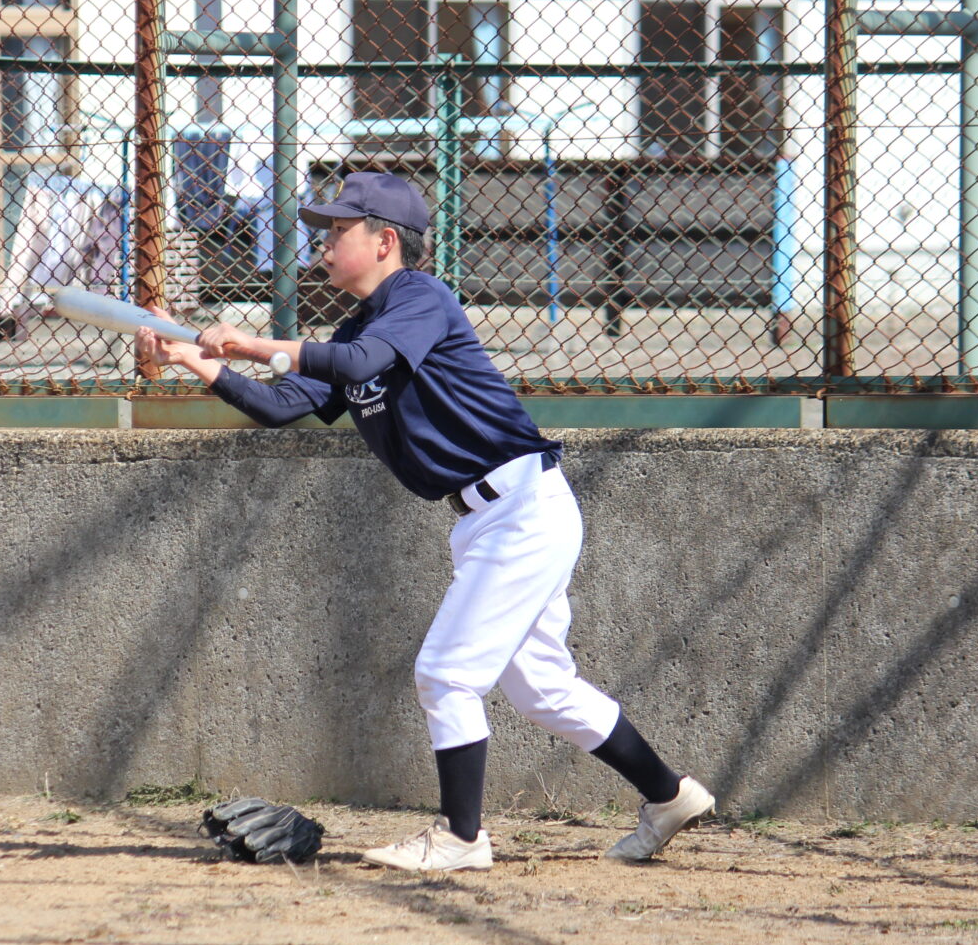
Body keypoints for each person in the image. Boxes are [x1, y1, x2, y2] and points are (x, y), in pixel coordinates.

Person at [136, 171, 716, 872]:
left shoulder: (416, 298)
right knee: (542, 688)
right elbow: (280, 406)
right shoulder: (355, 326)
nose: (323, 245)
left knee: (445, 674)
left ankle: (462, 837)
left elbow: (362, 362)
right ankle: (668, 795)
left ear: (385, 241)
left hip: (521, 507)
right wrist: (198, 362)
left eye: (338, 231)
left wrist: (255, 344)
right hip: (488, 518)